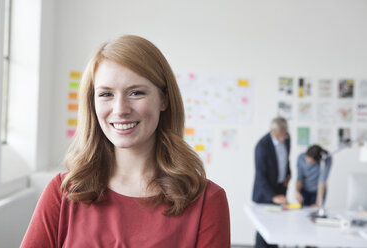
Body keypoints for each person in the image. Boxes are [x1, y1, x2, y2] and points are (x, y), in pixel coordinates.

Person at [21, 35, 230, 247]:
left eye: (136, 92)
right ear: (92, 102)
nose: (120, 109)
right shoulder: (63, 192)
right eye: (106, 94)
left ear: (164, 99)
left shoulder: (207, 201)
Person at [252, 116, 291, 248]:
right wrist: (273, 197)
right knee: (264, 230)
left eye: (285, 134)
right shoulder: (262, 146)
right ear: (272, 131)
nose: (283, 138)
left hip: (280, 188)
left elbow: (286, 160)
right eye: (280, 135)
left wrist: (288, 175)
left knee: (277, 227)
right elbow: (260, 176)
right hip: (266, 193)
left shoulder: (287, 138)